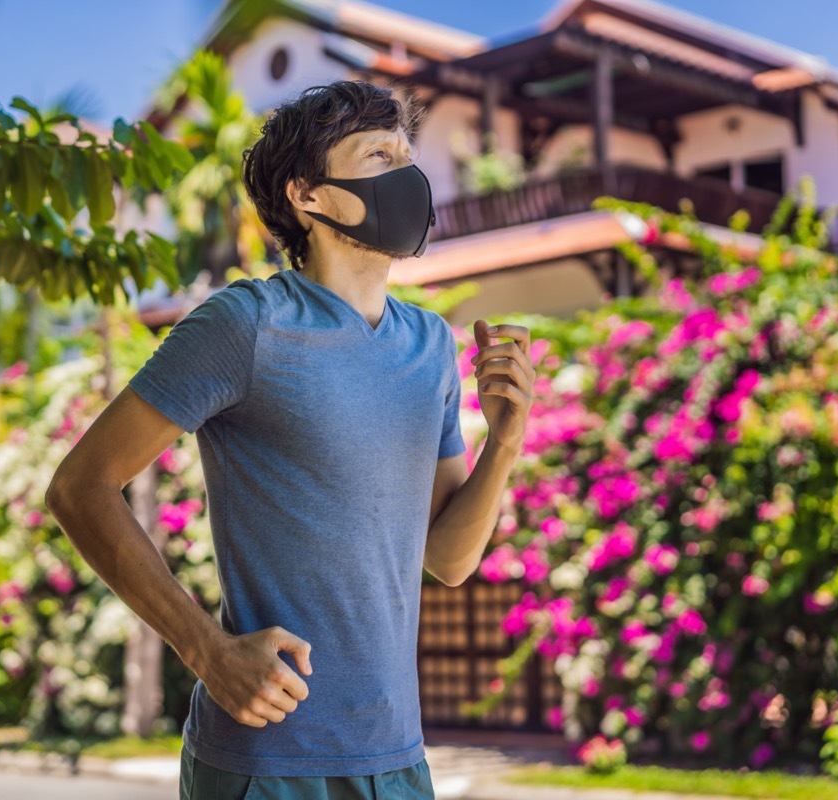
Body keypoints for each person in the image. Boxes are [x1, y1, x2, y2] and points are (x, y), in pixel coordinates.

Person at [46, 80, 534, 800]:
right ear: (309, 194)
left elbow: (449, 558)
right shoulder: (244, 323)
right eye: (378, 154)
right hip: (264, 765)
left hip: (399, 762)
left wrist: (506, 440)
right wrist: (204, 649)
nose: (408, 175)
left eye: (408, 154)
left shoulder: (430, 343)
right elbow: (78, 487)